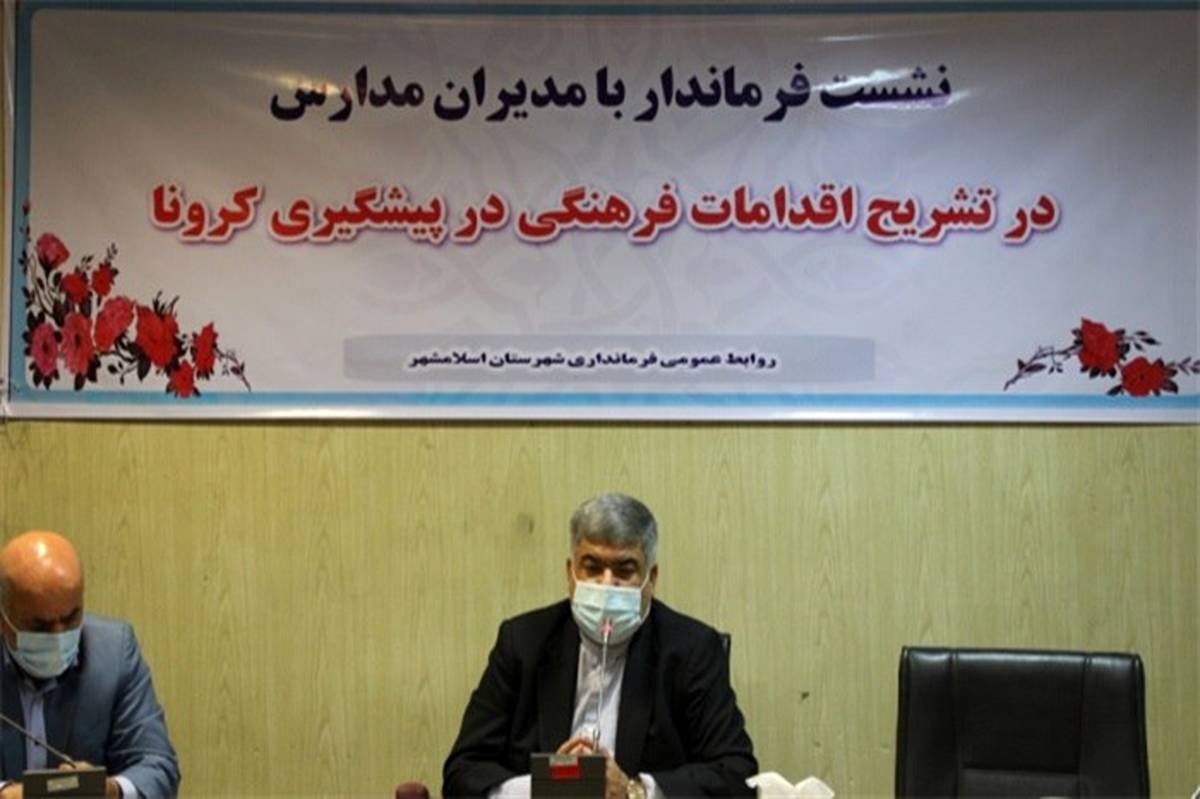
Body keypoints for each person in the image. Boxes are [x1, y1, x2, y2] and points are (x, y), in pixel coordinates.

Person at [444, 493, 756, 799]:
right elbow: (462, 772)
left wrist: (634, 791)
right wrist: (545, 787)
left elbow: (737, 773)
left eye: (624, 569)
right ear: (570, 573)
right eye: (592, 567)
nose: (607, 583)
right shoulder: (523, 642)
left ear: (651, 578)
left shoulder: (693, 650)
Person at [0, 531, 180, 798]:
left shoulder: (114, 651)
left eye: (71, 617)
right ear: (3, 618)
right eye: (40, 626)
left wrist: (110, 790)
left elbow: (158, 768)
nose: (58, 635)